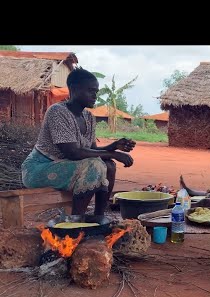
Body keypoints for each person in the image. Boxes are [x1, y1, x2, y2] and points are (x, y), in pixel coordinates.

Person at [21, 68, 135, 216]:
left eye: (96, 92)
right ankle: (76, 221)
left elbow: (93, 150)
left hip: (67, 166)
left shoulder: (88, 117)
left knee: (108, 165)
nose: (95, 95)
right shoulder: (57, 112)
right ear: (74, 89)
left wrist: (113, 146)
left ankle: (99, 217)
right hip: (39, 169)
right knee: (94, 165)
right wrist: (113, 153)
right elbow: (73, 152)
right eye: (90, 91)